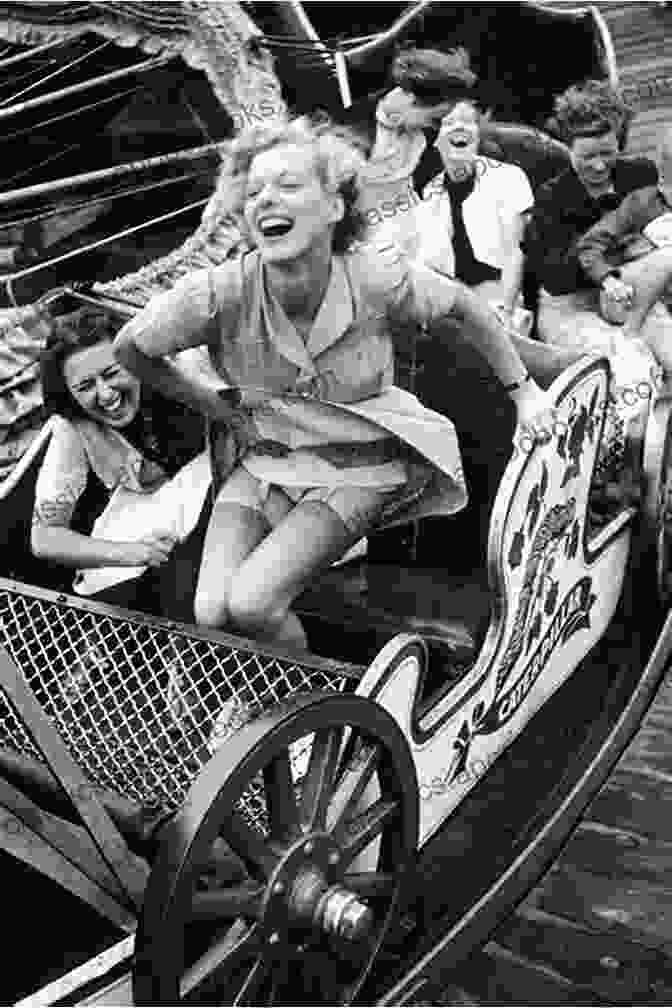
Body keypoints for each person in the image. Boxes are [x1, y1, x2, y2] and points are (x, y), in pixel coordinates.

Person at [114, 117, 552, 651]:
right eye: (253, 192)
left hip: (360, 461)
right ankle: (267, 705)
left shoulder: (372, 276)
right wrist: (215, 408)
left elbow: (465, 310)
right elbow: (130, 348)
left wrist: (525, 392)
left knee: (253, 603)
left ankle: (310, 715)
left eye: (289, 186)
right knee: (210, 611)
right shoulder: (217, 292)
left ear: (334, 207)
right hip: (268, 455)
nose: (266, 200)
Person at [31, 302, 212, 619]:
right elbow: (44, 537)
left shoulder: (187, 366)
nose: (105, 395)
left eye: (112, 373)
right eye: (85, 387)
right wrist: (131, 554)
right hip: (154, 525)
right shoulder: (72, 427)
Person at [522, 78, 659, 357]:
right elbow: (555, 278)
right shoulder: (551, 198)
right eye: (587, 156)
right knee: (628, 359)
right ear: (568, 147)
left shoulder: (641, 175)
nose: (598, 165)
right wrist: (619, 254)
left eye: (607, 153)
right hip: (570, 307)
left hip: (634, 293)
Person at [576, 124, 672, 370]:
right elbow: (589, 244)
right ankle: (629, 335)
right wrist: (609, 280)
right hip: (630, 297)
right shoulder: (642, 203)